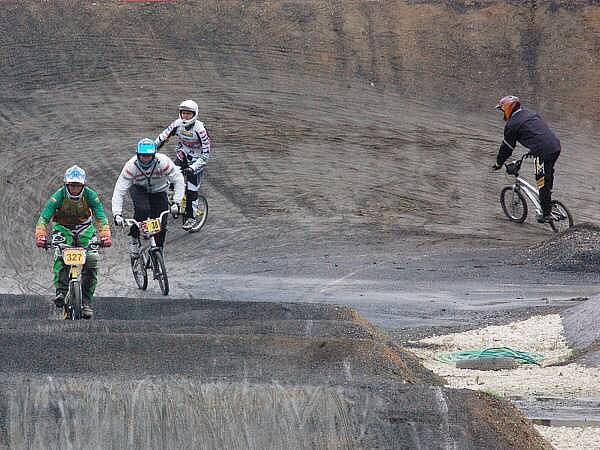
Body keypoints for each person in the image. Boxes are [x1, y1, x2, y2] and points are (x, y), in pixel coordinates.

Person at [35, 165, 112, 319]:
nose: (75, 189)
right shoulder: (57, 196)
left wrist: (105, 235)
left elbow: (101, 217)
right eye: (72, 185)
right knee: (60, 255)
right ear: (66, 184)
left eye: (78, 185)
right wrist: (41, 235)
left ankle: (86, 302)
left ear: (83, 185)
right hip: (63, 228)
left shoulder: (91, 196)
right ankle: (61, 292)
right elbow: (44, 218)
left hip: (85, 229)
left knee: (92, 260)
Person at [492, 95, 562, 222]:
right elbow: (538, 133)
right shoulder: (530, 114)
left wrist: (498, 163)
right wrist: (532, 150)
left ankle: (546, 213)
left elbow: (506, 148)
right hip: (555, 146)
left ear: (508, 108)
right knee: (548, 174)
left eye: (502, 110)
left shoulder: (512, 124)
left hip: (542, 151)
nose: (502, 113)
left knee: (541, 180)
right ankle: (548, 198)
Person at [111, 138, 184, 255]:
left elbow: (178, 179)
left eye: (148, 156)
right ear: (138, 155)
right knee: (143, 209)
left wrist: (177, 202)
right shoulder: (131, 166)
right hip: (139, 189)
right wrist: (117, 214)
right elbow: (119, 190)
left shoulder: (163, 162)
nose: (145, 158)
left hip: (159, 191)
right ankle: (134, 238)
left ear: (154, 155)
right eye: (142, 156)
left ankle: (158, 251)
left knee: (162, 224)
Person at [154, 99, 211, 231]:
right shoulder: (177, 124)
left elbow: (206, 153)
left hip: (197, 159)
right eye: (183, 113)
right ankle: (173, 200)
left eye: (188, 114)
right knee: (170, 175)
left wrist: (193, 167)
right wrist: (150, 150)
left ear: (194, 114)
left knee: (192, 188)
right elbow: (163, 136)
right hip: (183, 154)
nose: (185, 116)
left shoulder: (200, 129)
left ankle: (192, 216)